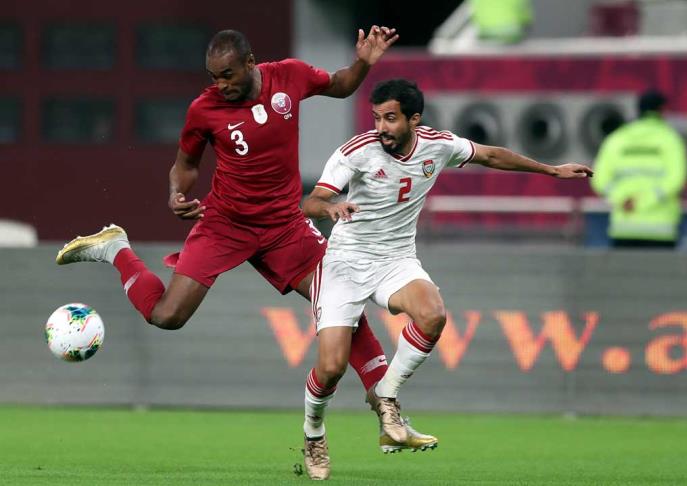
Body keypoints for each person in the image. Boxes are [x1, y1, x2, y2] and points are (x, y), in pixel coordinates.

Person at [55, 28, 432, 450]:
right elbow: (185, 165)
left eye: (228, 75)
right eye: (214, 76)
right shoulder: (204, 109)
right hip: (226, 224)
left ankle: (388, 416)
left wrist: (363, 62)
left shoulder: (289, 76)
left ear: (250, 63)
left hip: (285, 226)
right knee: (167, 316)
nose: (221, 84)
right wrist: (177, 195)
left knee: (343, 307)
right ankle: (115, 248)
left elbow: (341, 84)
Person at [299, 79, 593, 480]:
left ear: (414, 119)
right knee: (331, 367)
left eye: (390, 118)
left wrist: (551, 170)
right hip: (345, 263)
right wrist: (330, 206)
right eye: (377, 118)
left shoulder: (437, 145)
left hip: (395, 260)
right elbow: (311, 200)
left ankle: (386, 396)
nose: (381, 127)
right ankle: (313, 433)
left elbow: (490, 155)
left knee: (433, 314)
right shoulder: (358, 150)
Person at [591, 89, 687, 248]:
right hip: (661, 228)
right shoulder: (670, 139)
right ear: (662, 110)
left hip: (624, 227)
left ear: (638, 110)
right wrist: (644, 202)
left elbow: (599, 179)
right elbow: (676, 179)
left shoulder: (617, 138)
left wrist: (622, 200)